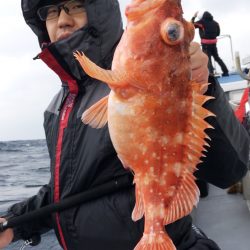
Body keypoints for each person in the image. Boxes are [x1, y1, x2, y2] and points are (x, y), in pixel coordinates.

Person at [0, 0, 249, 249]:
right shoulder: (56, 107)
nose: (63, 19)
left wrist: (203, 88)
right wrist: (14, 223)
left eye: (75, 5)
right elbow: (65, 190)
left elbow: (230, 170)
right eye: (51, 11)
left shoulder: (154, 79)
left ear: (100, 10)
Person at [191, 11, 229, 77]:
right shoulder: (215, 23)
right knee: (217, 58)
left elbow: (191, 24)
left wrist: (194, 16)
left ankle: (211, 74)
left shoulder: (201, 22)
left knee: (207, 59)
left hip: (205, 44)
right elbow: (218, 33)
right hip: (213, 43)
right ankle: (225, 72)